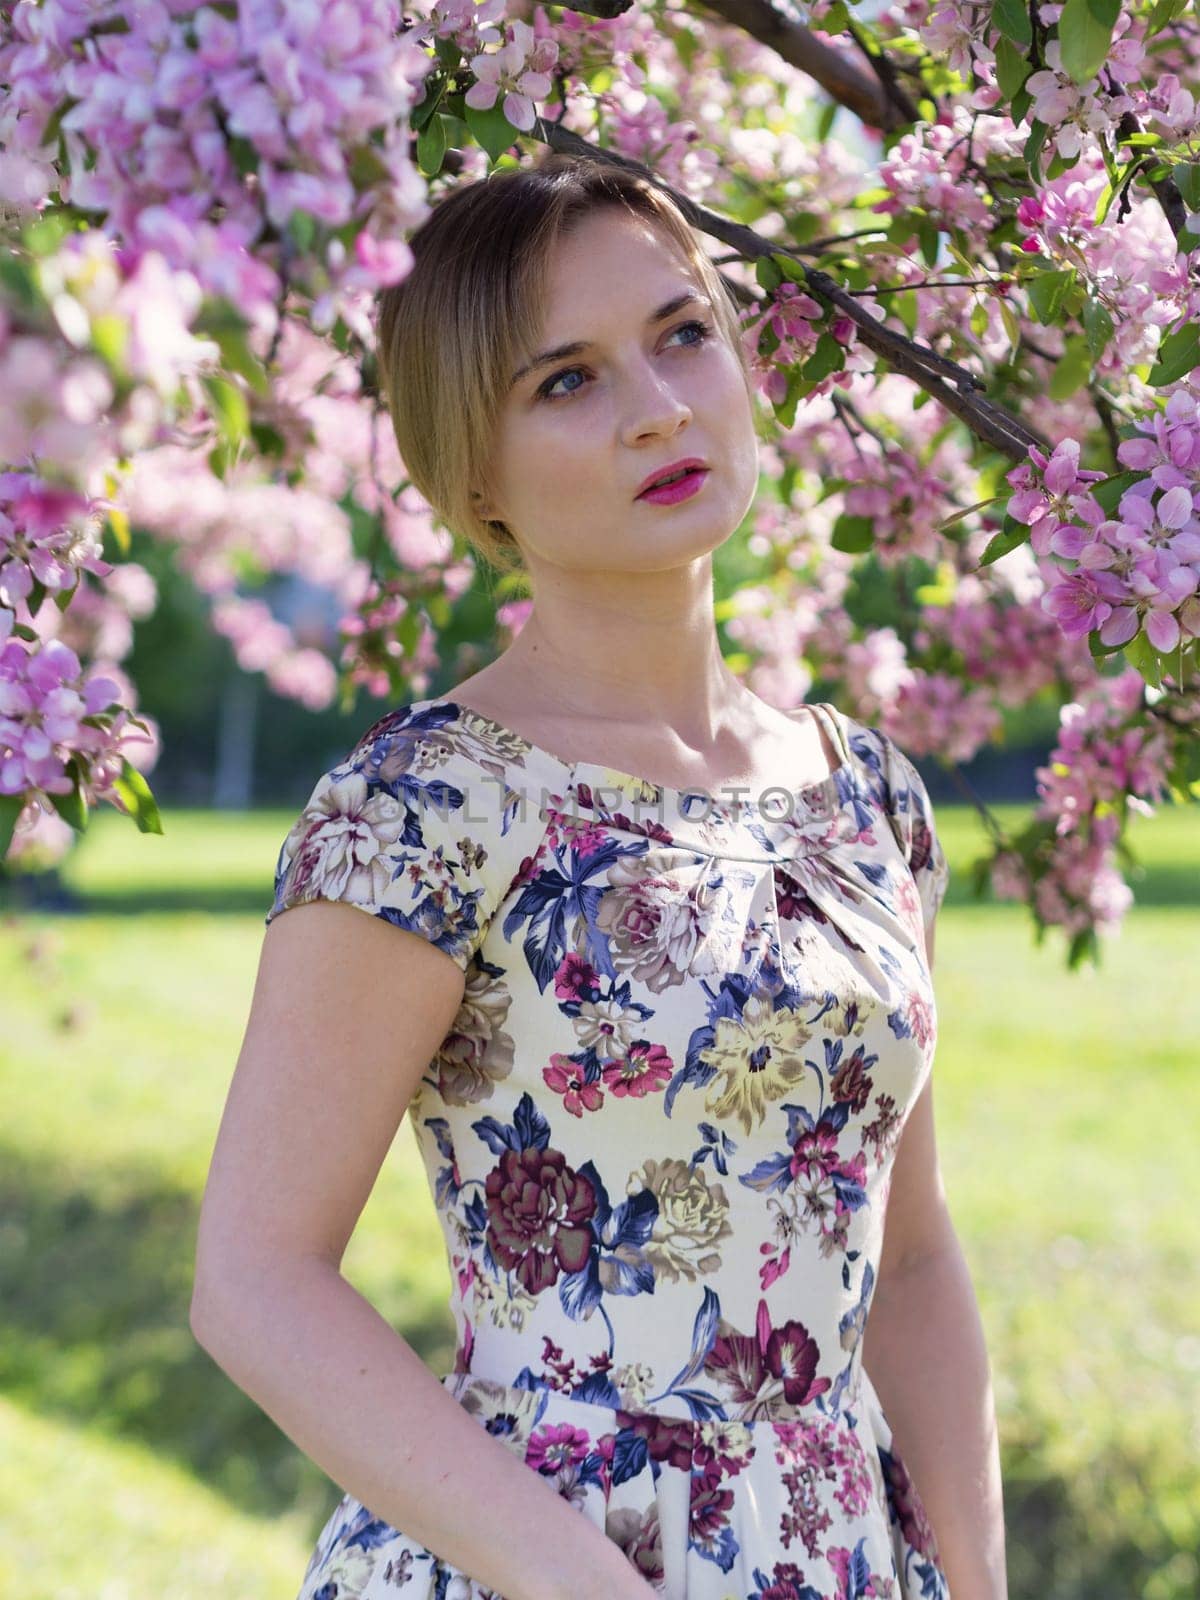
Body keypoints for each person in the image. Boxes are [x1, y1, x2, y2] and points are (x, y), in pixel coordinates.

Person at [189, 151, 1008, 1600]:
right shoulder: (421, 808)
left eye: (682, 332)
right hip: (545, 1563)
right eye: (565, 380)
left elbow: (917, 1260)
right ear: (471, 469)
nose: (659, 409)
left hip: (843, 1556)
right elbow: (255, 1283)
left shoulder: (866, 793)